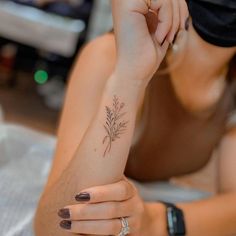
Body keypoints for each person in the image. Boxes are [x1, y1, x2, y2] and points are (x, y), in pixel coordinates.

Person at [34, 0, 236, 235]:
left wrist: (159, 221)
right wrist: (130, 75)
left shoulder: (230, 85)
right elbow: (55, 228)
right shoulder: (108, 56)